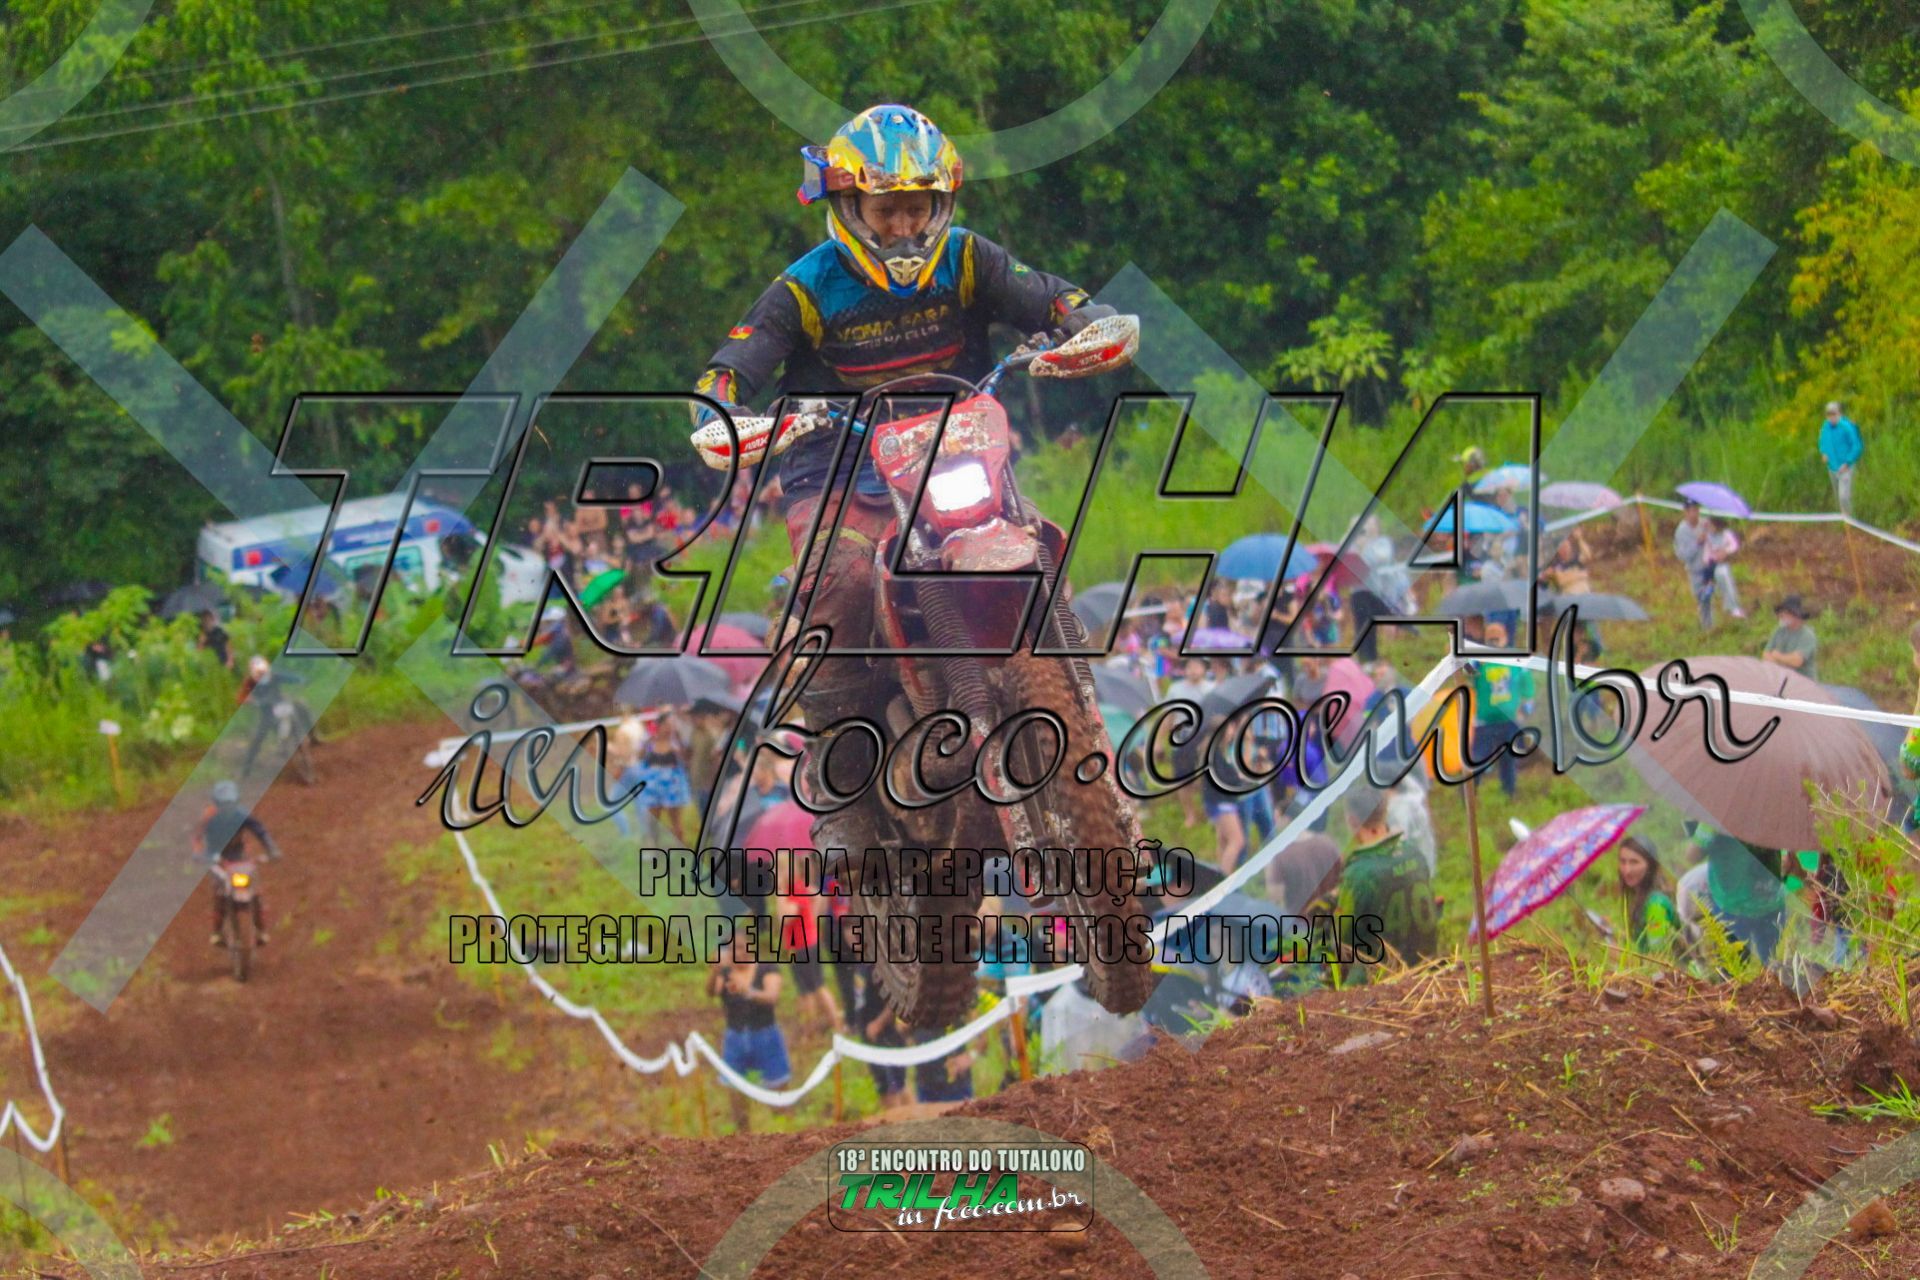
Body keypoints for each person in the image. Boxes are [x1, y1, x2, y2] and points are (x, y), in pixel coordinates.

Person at [688, 104, 1127, 740]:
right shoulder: (806, 287)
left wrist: (1084, 320)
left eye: (916, 209)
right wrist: (723, 415)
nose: (902, 227)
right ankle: (840, 751)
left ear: (940, 204)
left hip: (955, 448)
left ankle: (1078, 713)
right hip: (837, 467)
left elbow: (1052, 297)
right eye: (886, 210)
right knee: (843, 582)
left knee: (1035, 540)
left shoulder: (968, 257)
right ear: (849, 206)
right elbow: (725, 373)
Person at [1339, 784, 1438, 975]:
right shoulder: (1414, 853)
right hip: (1426, 965)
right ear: (1385, 812)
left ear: (1351, 821)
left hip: (1384, 976)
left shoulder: (1358, 873)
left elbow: (1343, 939)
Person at [709, 934, 790, 1133]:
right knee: (735, 1095)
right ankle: (744, 1138)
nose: (738, 953)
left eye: (742, 948)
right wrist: (714, 971)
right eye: (733, 949)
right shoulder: (726, 973)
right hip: (735, 1036)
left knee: (779, 1095)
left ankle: (786, 1135)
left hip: (765, 1035)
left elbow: (772, 996)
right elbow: (711, 991)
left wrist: (747, 991)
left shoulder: (766, 968)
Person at [194, 779, 282, 947]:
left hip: (237, 855)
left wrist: (272, 849)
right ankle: (217, 931)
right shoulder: (208, 817)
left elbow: (260, 831)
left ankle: (261, 929)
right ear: (216, 804)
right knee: (219, 892)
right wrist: (199, 854)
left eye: (230, 805)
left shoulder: (242, 815)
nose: (227, 809)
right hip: (215, 856)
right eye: (223, 805)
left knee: (254, 889)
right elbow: (197, 837)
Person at [1694, 824, 1786, 968]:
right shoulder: (1771, 814)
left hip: (1737, 904)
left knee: (1737, 971)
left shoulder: (1720, 815)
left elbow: (1693, 855)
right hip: (1761, 901)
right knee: (1771, 966)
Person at [1467, 623, 1534, 799]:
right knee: (1478, 758)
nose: (1494, 642)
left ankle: (1509, 793)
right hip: (1485, 721)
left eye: (1497, 638)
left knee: (1508, 759)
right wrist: (1459, 660)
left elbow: (1527, 685)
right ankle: (1469, 795)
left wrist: (1526, 708)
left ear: (1505, 639)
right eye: (1491, 639)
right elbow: (1467, 673)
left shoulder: (1515, 660)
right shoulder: (1479, 661)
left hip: (1509, 720)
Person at [236, 655, 312, 777]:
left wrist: (301, 679)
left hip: (280, 706)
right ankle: (246, 769)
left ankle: (310, 740)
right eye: (259, 673)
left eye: (263, 671)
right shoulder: (249, 682)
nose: (262, 674)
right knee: (257, 739)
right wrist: (254, 702)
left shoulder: (274, 676)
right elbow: (240, 698)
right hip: (266, 714)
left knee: (299, 713)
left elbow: (290, 678)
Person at [1616, 834, 1680, 954]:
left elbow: (1657, 954)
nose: (1627, 870)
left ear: (1650, 865)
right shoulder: (1641, 897)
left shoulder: (1656, 905)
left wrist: (1616, 954)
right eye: (1623, 861)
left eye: (1634, 862)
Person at [1672, 500, 1713, 630]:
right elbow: (1683, 555)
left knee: (1712, 596)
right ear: (1685, 512)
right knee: (1702, 599)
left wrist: (1710, 532)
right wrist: (1697, 543)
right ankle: (1707, 628)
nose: (1694, 513)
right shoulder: (1682, 531)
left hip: (1710, 567)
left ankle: (1717, 624)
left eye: (1696, 510)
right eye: (1691, 511)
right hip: (1695, 570)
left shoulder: (1704, 523)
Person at [1819, 400, 1862, 518]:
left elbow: (1856, 446)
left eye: (1834, 413)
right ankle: (1843, 519)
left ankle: (1850, 519)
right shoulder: (1825, 427)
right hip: (1832, 467)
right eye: (1829, 414)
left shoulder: (1847, 427)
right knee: (1838, 497)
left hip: (1846, 467)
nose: (1831, 417)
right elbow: (1822, 441)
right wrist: (1823, 453)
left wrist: (1848, 462)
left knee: (1844, 497)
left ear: (1839, 413)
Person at [1761, 595, 1819, 681]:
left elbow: (1796, 661)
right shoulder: (1779, 631)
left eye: (1786, 613)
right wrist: (1785, 660)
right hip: (1781, 679)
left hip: (1803, 682)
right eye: (1782, 612)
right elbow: (1765, 655)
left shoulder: (1807, 635)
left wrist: (1778, 656)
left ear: (1796, 615)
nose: (1782, 615)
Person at [1699, 514, 1746, 620]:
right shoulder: (1708, 535)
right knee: (1708, 581)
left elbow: (1734, 545)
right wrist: (1706, 560)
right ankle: (1708, 597)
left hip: (1722, 563)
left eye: (1711, 525)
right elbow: (1706, 550)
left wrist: (1725, 551)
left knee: (1726, 582)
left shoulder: (1726, 534)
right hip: (1711, 563)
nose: (1710, 528)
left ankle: (1733, 607)